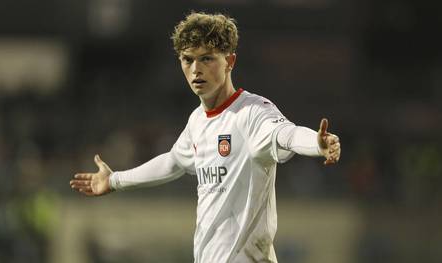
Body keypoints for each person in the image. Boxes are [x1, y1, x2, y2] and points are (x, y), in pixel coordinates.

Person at [70, 12, 341, 263]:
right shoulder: (198, 121)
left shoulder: (252, 113)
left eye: (207, 58)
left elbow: (286, 134)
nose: (196, 69)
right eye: (188, 59)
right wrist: (114, 180)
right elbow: (174, 162)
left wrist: (317, 145)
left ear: (230, 62)